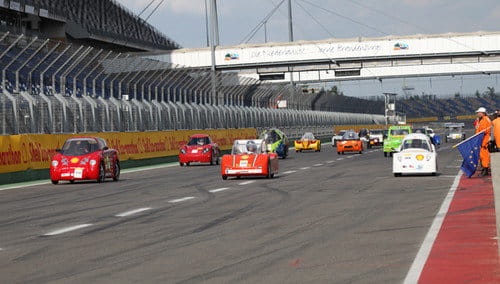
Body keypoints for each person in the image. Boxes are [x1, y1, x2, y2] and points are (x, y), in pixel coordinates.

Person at [475, 107, 492, 176]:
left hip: (484, 140)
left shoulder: (485, 120)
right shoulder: (482, 120)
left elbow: (485, 131)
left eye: (479, 112)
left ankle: (485, 170)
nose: (478, 114)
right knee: (482, 155)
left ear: (483, 113)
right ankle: (484, 168)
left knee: (484, 155)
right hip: (482, 139)